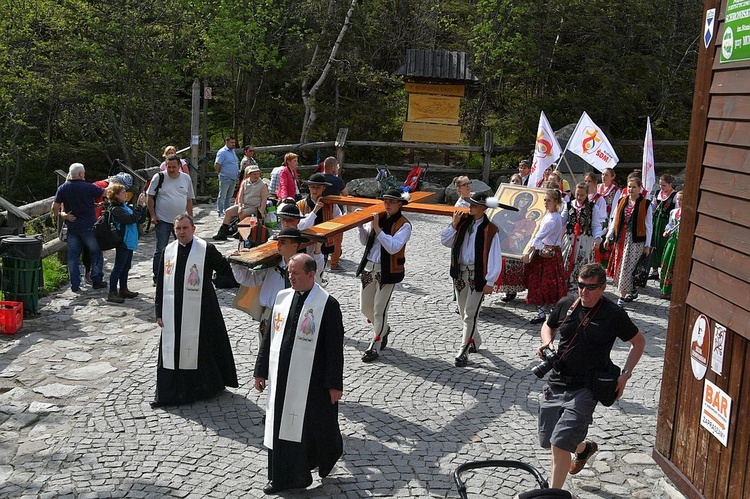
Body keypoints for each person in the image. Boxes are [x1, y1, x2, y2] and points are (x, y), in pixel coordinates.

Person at [536, 263, 646, 489]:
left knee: (559, 444)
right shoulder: (566, 303)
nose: (584, 291)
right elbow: (548, 326)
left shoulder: (613, 314)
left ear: (603, 288)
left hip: (586, 388)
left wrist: (625, 375)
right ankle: (584, 449)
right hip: (557, 382)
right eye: (580, 286)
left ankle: (553, 494)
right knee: (548, 441)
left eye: (590, 287)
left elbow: (638, 342)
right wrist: (547, 342)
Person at [254, 253, 344, 494]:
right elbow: (269, 340)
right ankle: (279, 476)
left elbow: (334, 348)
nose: (290, 277)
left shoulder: (327, 305)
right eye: (289, 272)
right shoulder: (282, 299)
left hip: (309, 383)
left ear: (311, 274)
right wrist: (260, 370)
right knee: (278, 428)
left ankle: (298, 475)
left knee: (304, 430)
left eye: (295, 273)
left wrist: (334, 385)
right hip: (280, 378)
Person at [152, 214, 238, 407]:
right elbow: (160, 283)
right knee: (174, 349)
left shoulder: (205, 249)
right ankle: (174, 390)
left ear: (193, 229)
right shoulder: (168, 252)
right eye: (178, 229)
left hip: (202, 309)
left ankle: (202, 388)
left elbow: (224, 269)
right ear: (174, 231)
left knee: (202, 348)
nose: (181, 232)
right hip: (173, 310)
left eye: (185, 228)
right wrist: (159, 311)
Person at [441, 193, 502, 367]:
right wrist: (453, 225)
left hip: (478, 275)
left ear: (483, 209)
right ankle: (475, 340)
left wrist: (490, 281)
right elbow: (445, 241)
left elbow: (494, 256)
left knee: (469, 313)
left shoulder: (491, 230)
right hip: (460, 273)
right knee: (463, 312)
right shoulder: (461, 224)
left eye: (474, 205)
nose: (471, 207)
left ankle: (463, 349)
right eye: (471, 204)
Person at [231, 228, 324, 343]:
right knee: (266, 352)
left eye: (283, 242)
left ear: (294, 246)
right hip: (270, 315)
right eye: (278, 242)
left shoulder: (304, 266)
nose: (278, 245)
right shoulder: (270, 264)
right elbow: (249, 279)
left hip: (295, 315)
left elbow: (316, 281)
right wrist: (237, 263)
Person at [356, 189, 412, 363]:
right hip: (369, 267)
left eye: (391, 201)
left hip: (387, 270)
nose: (387, 204)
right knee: (365, 308)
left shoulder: (405, 224)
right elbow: (366, 241)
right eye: (385, 201)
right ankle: (384, 329)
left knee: (379, 310)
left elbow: (393, 247)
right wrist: (360, 226)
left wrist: (378, 229)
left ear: (400, 204)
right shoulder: (378, 217)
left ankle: (375, 345)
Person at [51, 163, 107, 292]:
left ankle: (75, 284)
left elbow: (55, 206)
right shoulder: (89, 188)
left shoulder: (63, 188)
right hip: (88, 226)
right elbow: (105, 192)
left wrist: (60, 215)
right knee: (96, 253)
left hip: (73, 227)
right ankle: (97, 280)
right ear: (81, 174)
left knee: (73, 257)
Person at [604, 177, 653, 307]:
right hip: (621, 238)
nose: (631, 189)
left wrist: (647, 245)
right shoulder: (622, 201)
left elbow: (648, 226)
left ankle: (622, 295)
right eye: (629, 187)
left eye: (634, 187)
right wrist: (609, 236)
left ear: (640, 188)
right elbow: (614, 219)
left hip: (636, 241)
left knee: (628, 268)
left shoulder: (646, 204)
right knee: (622, 267)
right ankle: (631, 290)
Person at [522, 189, 567, 324]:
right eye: (545, 200)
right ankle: (543, 313)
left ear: (556, 202)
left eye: (549, 200)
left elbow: (539, 237)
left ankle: (553, 314)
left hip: (548, 254)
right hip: (546, 252)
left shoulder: (553, 219)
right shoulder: (550, 215)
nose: (546, 203)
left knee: (547, 284)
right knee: (541, 283)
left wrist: (528, 252)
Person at [147, 155, 195, 284]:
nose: (172, 169)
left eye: (174, 167)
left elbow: (189, 199)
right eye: (169, 167)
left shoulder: (186, 178)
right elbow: (150, 196)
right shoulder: (159, 177)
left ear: (180, 166)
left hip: (181, 221)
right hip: (162, 220)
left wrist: (190, 218)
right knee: (160, 249)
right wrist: (152, 215)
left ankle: (182, 273)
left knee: (185, 246)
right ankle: (157, 277)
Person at [105, 183, 147, 303]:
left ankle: (123, 289)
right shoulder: (116, 210)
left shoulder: (124, 207)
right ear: (116, 195)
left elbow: (139, 219)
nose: (125, 194)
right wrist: (138, 206)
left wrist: (142, 208)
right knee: (118, 267)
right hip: (123, 241)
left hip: (129, 241)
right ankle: (112, 292)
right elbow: (130, 219)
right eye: (123, 192)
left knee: (126, 267)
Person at [297, 173, 342, 279]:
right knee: (305, 271)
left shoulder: (331, 204)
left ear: (324, 188)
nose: (315, 190)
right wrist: (315, 210)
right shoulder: (301, 204)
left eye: (318, 187)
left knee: (319, 273)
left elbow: (339, 220)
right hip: (306, 243)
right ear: (308, 187)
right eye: (313, 186)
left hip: (323, 243)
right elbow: (300, 226)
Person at [561, 183, 605, 288]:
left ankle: (580, 285)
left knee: (583, 263)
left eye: (582, 195)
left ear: (587, 194)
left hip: (585, 241)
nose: (579, 197)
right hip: (570, 240)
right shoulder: (568, 205)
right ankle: (567, 284)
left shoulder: (593, 207)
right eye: (577, 194)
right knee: (566, 262)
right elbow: (561, 222)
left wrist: (597, 238)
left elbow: (596, 225)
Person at [495, 174, 528, 302]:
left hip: (519, 242)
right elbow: (497, 220)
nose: (515, 182)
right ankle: (506, 290)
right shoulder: (505, 205)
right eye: (513, 180)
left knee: (515, 265)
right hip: (505, 238)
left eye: (517, 181)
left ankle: (513, 290)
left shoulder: (527, 212)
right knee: (505, 264)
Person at [213, 164, 268, 241]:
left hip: (254, 207)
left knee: (243, 213)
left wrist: (261, 211)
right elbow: (240, 196)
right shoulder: (245, 182)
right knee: (228, 211)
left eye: (258, 174)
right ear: (249, 174)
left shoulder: (262, 185)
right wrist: (240, 206)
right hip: (244, 204)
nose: (256, 176)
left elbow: (264, 199)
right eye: (254, 174)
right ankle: (223, 232)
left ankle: (240, 231)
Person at [321, 157, 348, 270]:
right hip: (334, 210)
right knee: (337, 237)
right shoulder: (338, 181)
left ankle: (322, 257)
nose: (338, 169)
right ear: (332, 168)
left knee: (321, 235)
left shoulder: (319, 178)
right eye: (337, 166)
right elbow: (345, 194)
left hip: (320, 210)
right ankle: (334, 263)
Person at [649, 174, 677, 279]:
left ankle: (663, 270)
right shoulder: (658, 193)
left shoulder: (674, 196)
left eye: (664, 185)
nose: (661, 187)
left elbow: (675, 212)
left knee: (662, 245)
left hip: (666, 222)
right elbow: (652, 206)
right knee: (654, 243)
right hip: (656, 222)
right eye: (660, 185)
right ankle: (654, 270)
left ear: (670, 184)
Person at [595, 168, 621, 266]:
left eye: (606, 175)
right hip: (596, 218)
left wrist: (610, 224)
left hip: (607, 219)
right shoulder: (598, 187)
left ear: (612, 177)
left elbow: (615, 208)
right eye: (602, 174)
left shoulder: (616, 190)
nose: (603, 177)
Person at [659, 190, 682, 300]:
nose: (679, 201)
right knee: (666, 262)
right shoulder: (673, 212)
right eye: (678, 199)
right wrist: (666, 230)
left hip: (680, 241)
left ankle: (673, 290)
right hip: (672, 240)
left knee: (675, 265)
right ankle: (665, 289)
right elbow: (669, 224)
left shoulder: (687, 214)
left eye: (682, 199)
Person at [214, 136, 239, 218]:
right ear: (226, 142)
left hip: (233, 177)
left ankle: (227, 210)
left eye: (234, 142)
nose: (233, 144)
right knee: (222, 195)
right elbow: (217, 164)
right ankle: (220, 212)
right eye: (231, 142)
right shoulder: (222, 152)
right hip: (225, 177)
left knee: (229, 196)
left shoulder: (232, 151)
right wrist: (219, 173)